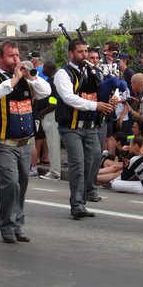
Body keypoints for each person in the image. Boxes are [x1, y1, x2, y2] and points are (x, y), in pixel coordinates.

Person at [0, 40, 51, 243]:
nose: (16, 59)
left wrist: (29, 76)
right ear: (0, 58)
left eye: (17, 55)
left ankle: (18, 225)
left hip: (25, 143)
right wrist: (14, 78)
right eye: (11, 56)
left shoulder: (26, 79)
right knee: (10, 183)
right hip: (3, 143)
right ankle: (7, 227)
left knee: (22, 184)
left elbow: (46, 92)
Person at [54, 39, 115, 220]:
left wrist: (112, 98)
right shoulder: (62, 74)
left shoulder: (93, 72)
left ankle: (86, 193)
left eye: (85, 51)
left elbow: (102, 91)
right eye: (80, 52)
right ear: (70, 53)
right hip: (71, 127)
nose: (84, 55)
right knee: (78, 165)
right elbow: (69, 98)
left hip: (91, 127)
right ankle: (77, 205)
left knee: (95, 159)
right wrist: (95, 105)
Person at [36, 61, 62, 180]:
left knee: (53, 144)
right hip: (51, 114)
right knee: (52, 144)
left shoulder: (53, 82)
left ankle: (55, 172)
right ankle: (54, 170)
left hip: (51, 115)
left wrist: (42, 112)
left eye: (44, 67)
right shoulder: (53, 80)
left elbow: (54, 102)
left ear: (48, 68)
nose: (43, 69)